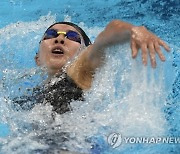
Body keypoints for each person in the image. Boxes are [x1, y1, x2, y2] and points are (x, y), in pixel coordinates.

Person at [15, 20, 170, 114]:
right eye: (51, 34)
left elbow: (106, 36)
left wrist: (134, 30)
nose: (60, 38)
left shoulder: (79, 72)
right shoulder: (28, 92)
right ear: (37, 59)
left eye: (73, 37)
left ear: (83, 52)